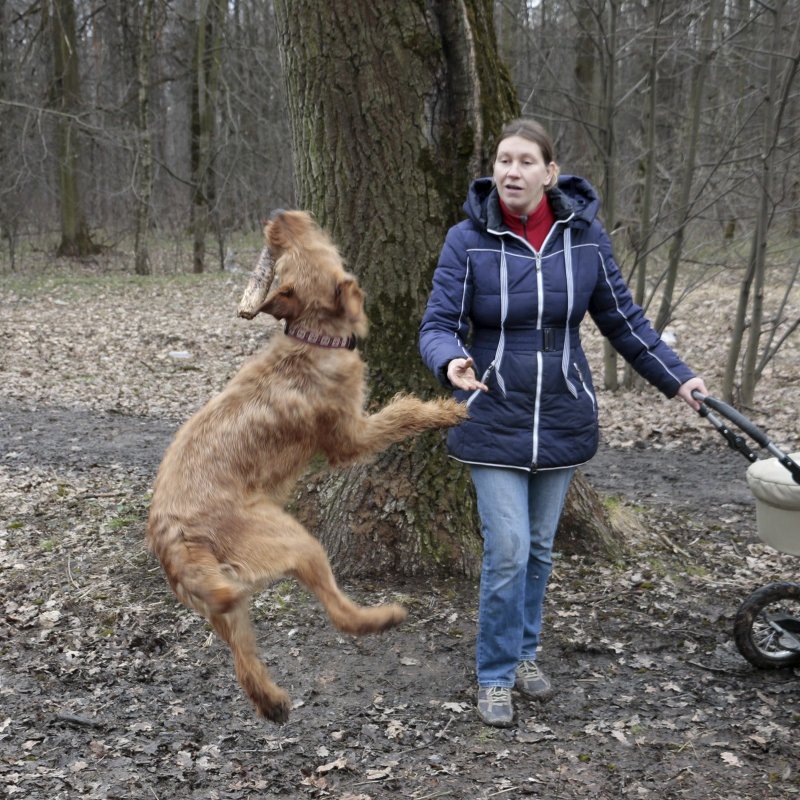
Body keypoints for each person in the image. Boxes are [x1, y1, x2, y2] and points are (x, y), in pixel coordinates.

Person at [419, 117, 708, 728]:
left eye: (526, 161)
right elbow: (437, 324)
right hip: (491, 411)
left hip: (561, 412)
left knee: (541, 550)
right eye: (503, 160)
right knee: (509, 549)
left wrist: (678, 377)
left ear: (550, 173)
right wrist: (451, 361)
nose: (512, 171)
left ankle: (525, 654)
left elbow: (624, 322)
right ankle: (494, 675)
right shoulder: (465, 240)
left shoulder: (585, 239)